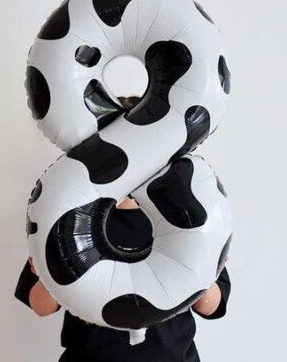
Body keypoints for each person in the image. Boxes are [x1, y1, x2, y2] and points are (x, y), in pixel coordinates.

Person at [14, 97, 231, 362]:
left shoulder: (184, 220)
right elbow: (41, 306)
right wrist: (48, 274)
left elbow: (210, 307)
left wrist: (206, 273)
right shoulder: (72, 222)